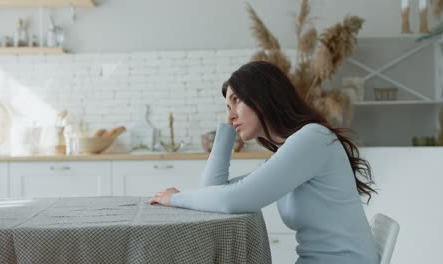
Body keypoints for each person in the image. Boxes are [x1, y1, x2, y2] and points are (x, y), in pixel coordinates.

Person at [151, 61, 378, 264]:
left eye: (236, 101)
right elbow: (214, 191)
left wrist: (175, 199)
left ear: (263, 96)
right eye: (227, 108)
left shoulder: (312, 139)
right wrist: (227, 132)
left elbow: (232, 200)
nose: (230, 116)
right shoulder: (289, 152)